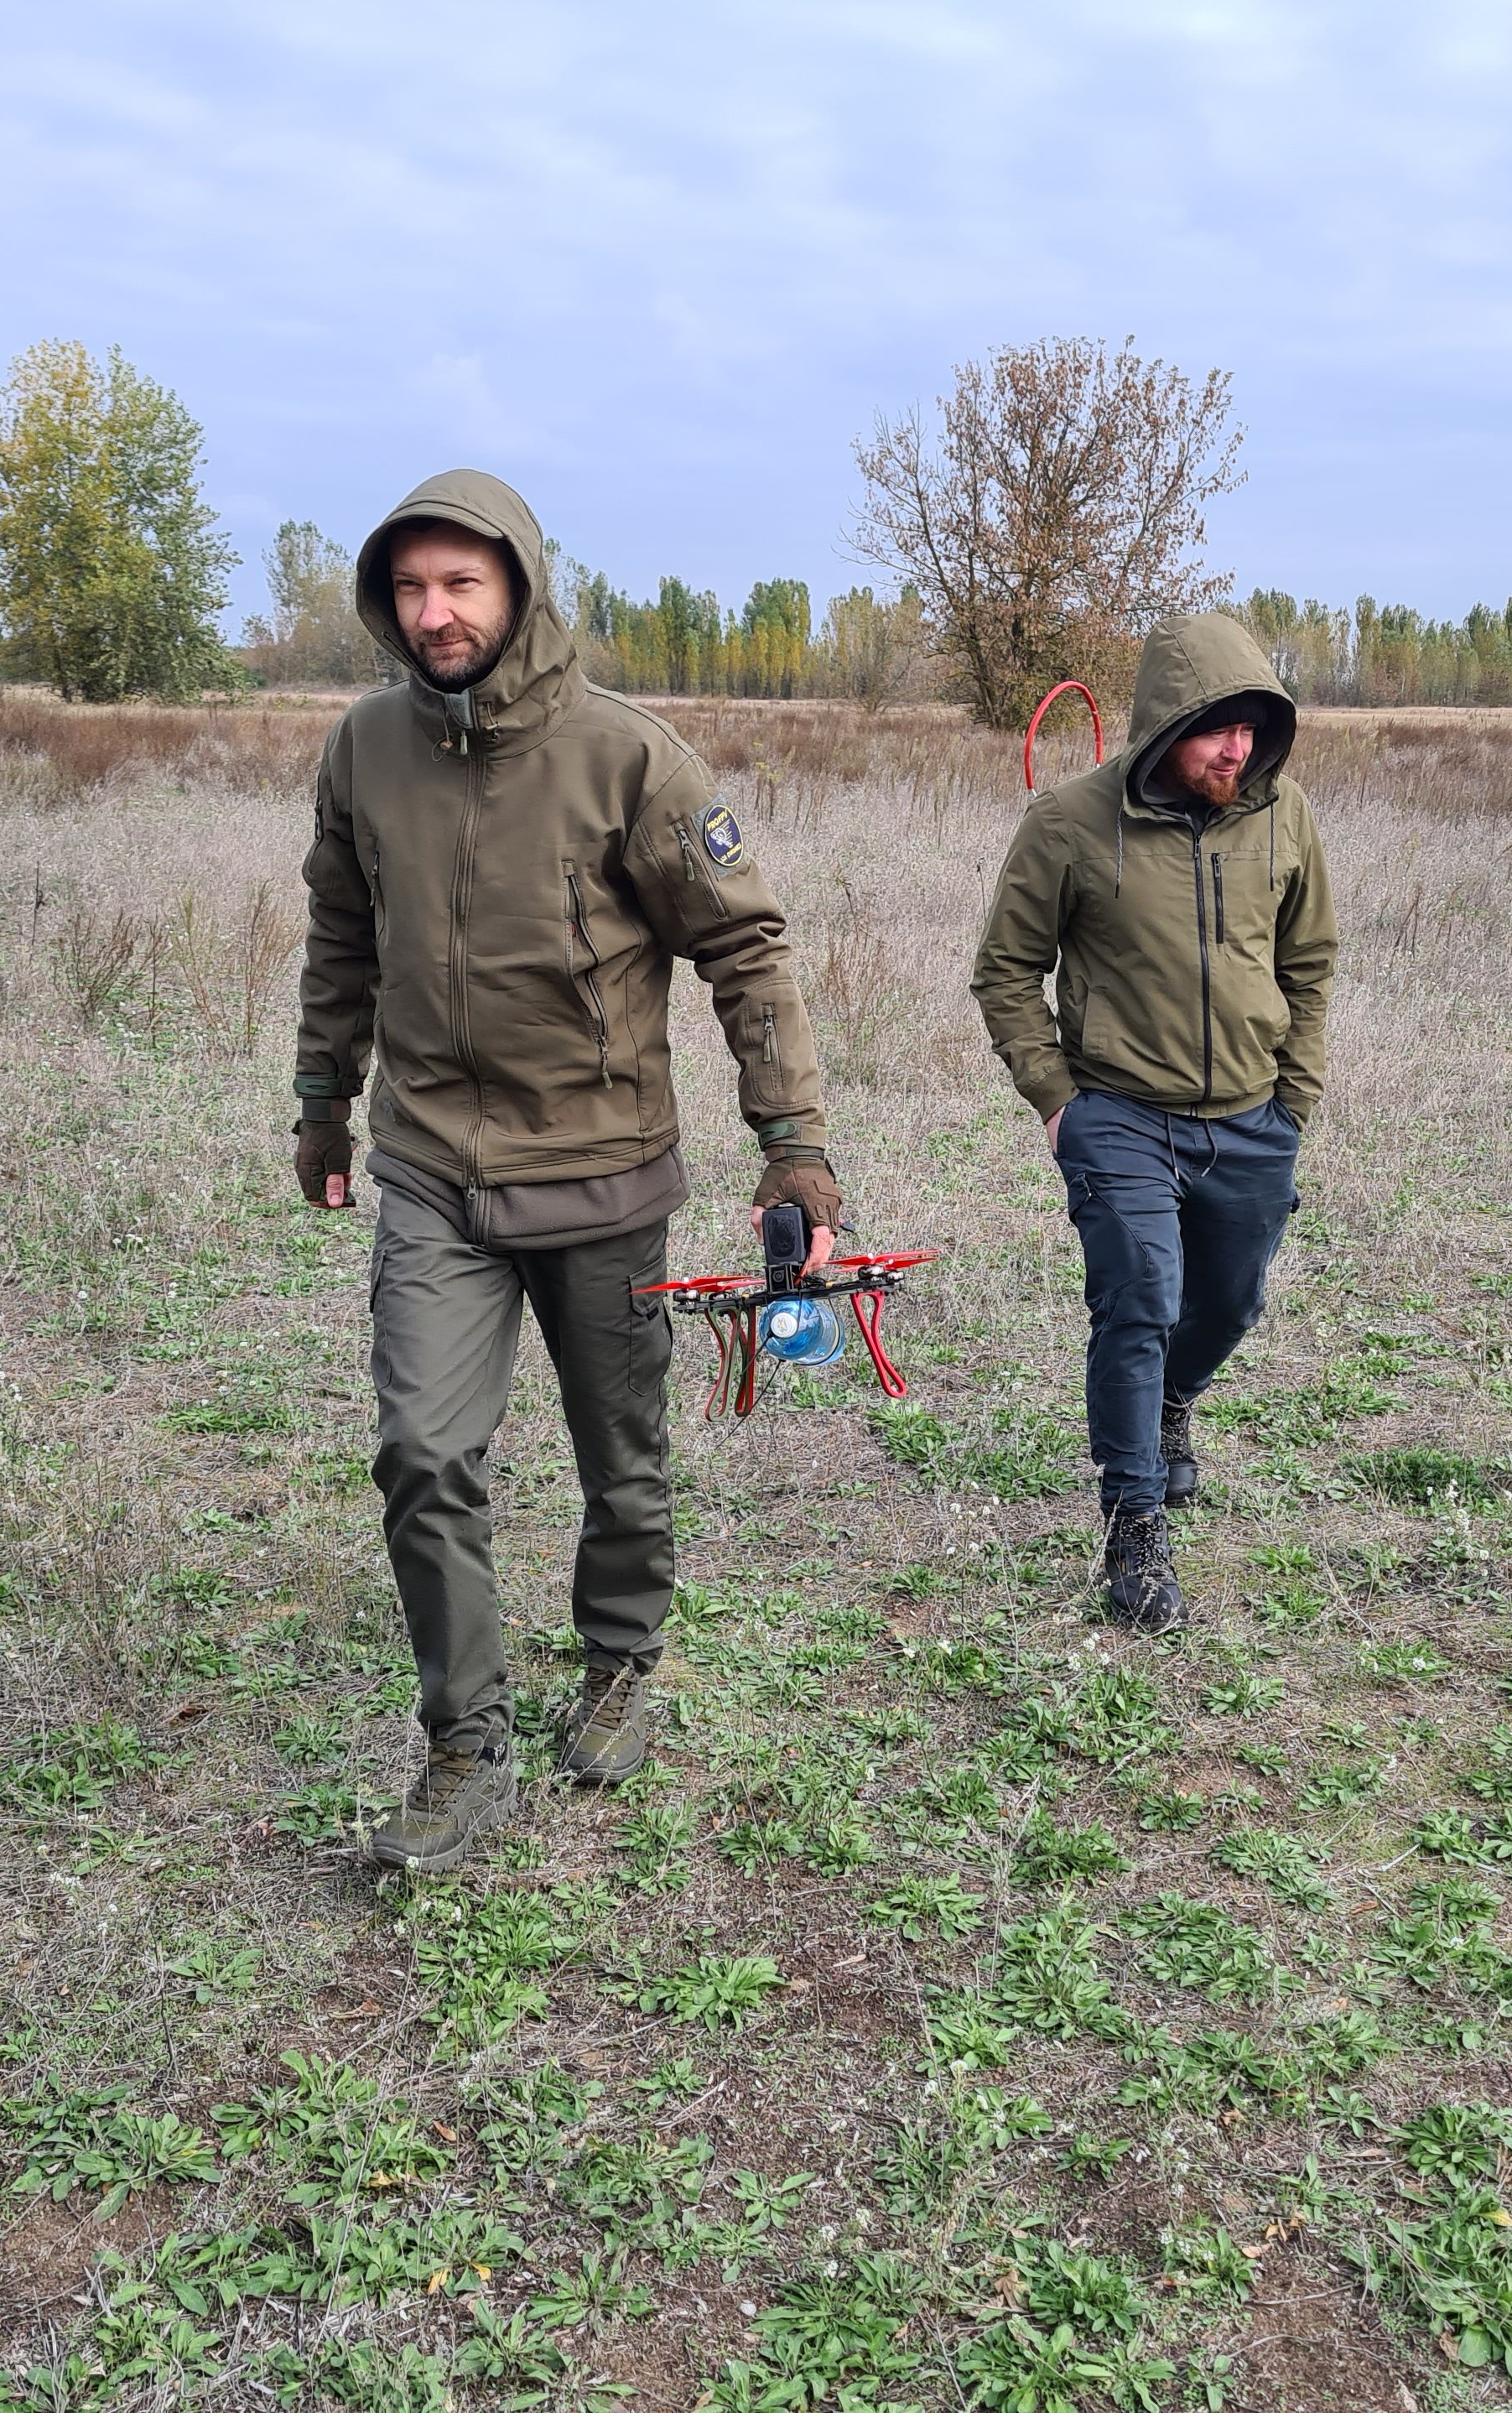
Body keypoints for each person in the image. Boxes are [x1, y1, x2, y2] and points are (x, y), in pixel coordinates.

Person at [293, 469, 844, 1872]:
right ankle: (464, 1744)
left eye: (460, 584)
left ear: (519, 585)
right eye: (410, 588)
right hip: (433, 1168)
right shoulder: (362, 753)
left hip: (601, 1171)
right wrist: (322, 1104)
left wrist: (792, 1147)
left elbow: (745, 948)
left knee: (622, 1458)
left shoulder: (631, 760)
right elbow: (341, 939)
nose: (434, 613)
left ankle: (617, 1660)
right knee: (423, 1451)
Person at [969, 611, 1336, 1630]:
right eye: (1220, 726)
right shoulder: (1069, 823)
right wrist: (1058, 1103)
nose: (1240, 748)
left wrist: (1294, 1098)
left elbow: (1308, 965)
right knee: (1140, 1299)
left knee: (1229, 1304)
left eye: (1257, 728)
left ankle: (1175, 1402)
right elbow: (1005, 973)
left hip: (1254, 1117)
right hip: (1120, 1114)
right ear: (1166, 721)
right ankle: (1133, 1529)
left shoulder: (1286, 815)